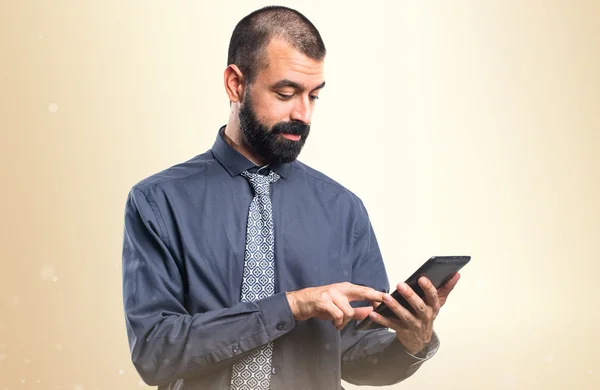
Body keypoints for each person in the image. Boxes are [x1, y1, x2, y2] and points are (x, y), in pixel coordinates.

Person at [121, 5, 461, 390]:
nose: (303, 113)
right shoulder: (159, 202)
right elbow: (154, 352)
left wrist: (410, 343)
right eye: (286, 92)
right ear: (236, 84)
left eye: (314, 96)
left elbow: (355, 358)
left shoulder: (342, 210)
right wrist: (290, 306)